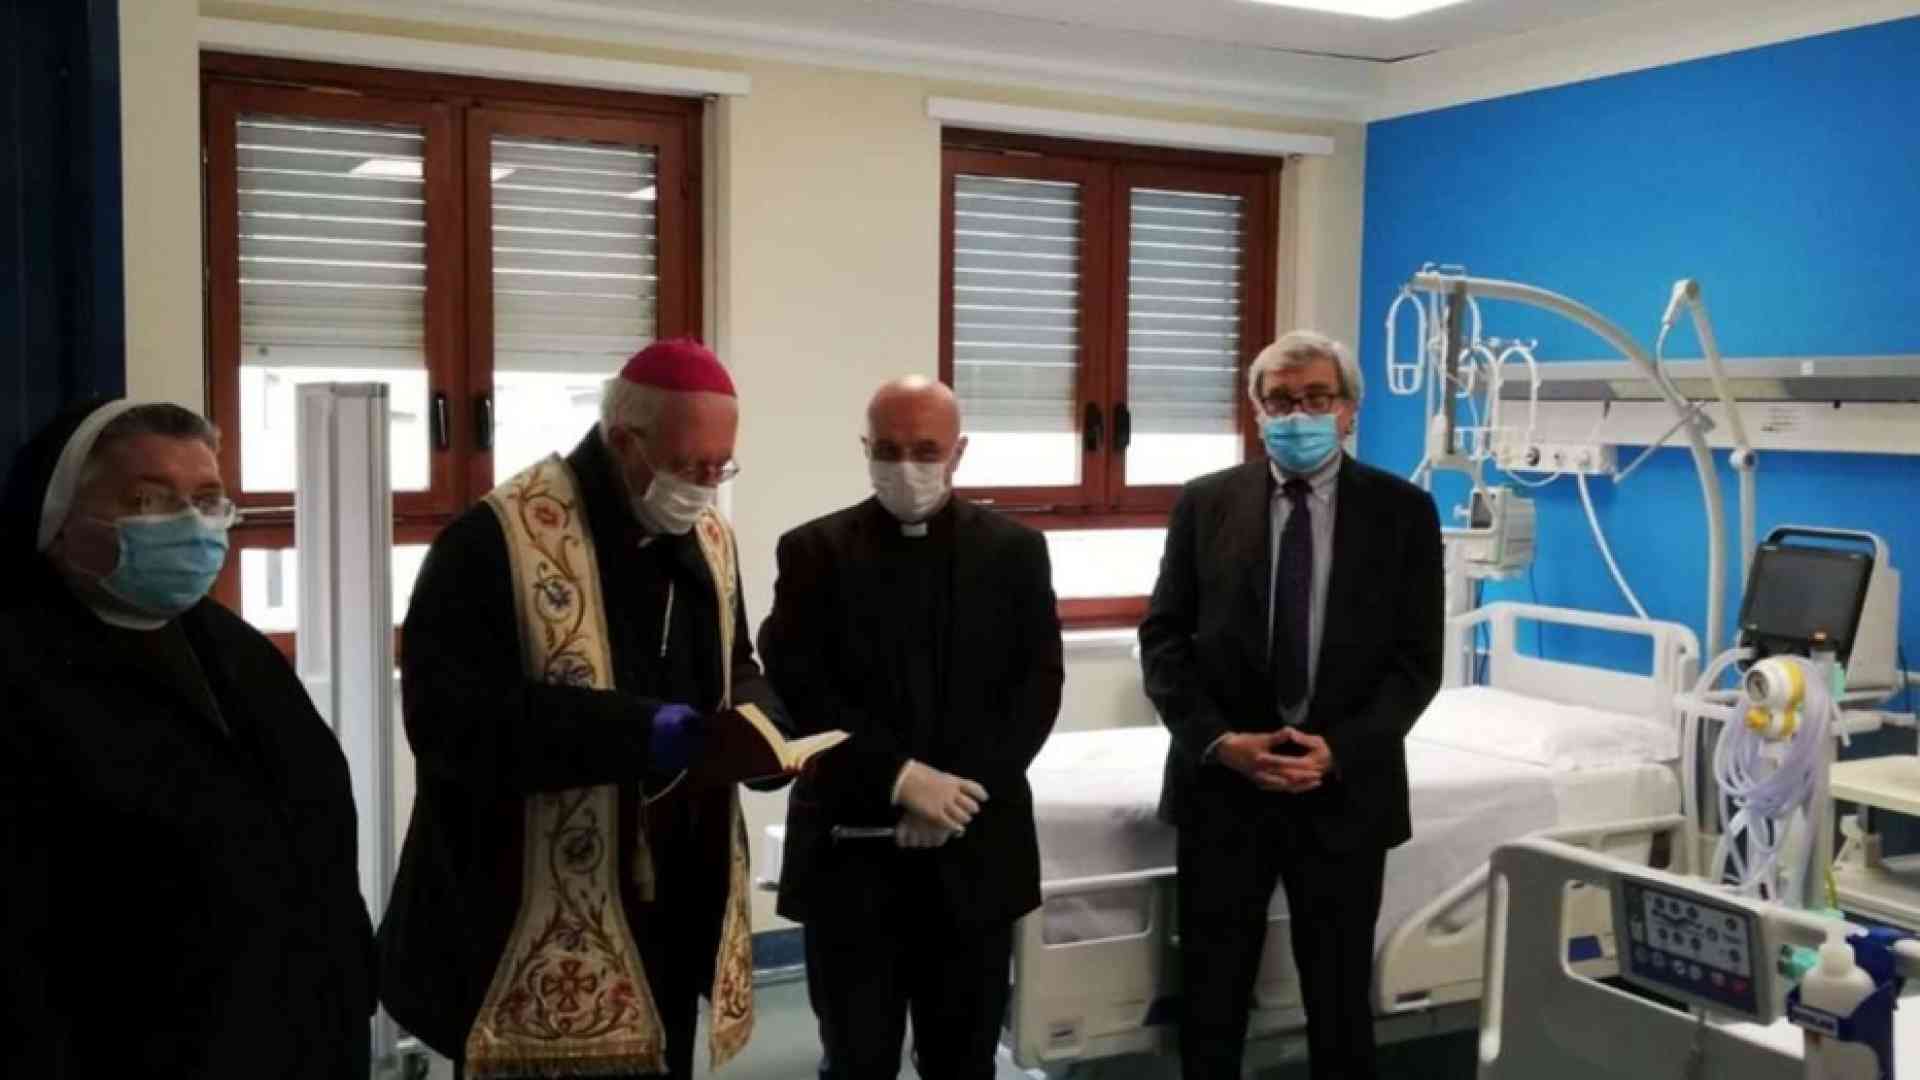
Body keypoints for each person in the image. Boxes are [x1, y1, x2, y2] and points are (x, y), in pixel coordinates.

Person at [379, 339, 789, 1079]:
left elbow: (734, 663)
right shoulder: (494, 541)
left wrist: (764, 729)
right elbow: (450, 723)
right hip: (520, 904)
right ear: (625, 440)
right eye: (688, 466)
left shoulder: (705, 537)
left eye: (719, 468)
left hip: (671, 895)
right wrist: (642, 733)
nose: (704, 488)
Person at [0, 400, 375, 1078]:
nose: (190, 525)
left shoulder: (238, 651)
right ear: (58, 520)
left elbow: (318, 840)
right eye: (147, 500)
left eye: (207, 500)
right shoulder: (19, 667)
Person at [1140, 331, 1444, 1080]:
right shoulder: (1205, 503)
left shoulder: (1404, 512)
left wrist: (1339, 749)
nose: (1297, 415)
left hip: (1346, 792)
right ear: (1256, 411)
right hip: (1223, 790)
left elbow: (1416, 665)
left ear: (1348, 410)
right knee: (1212, 1001)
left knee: (1339, 1003)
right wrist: (1219, 742)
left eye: (1316, 398)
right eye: (1279, 401)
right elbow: (1164, 640)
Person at [762, 376, 1064, 1080]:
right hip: (851, 858)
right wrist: (898, 780)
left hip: (974, 854)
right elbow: (802, 692)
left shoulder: (1016, 552)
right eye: (888, 450)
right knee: (855, 1059)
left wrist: (953, 797)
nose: (906, 467)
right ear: (865, 448)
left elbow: (1036, 689)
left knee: (963, 1060)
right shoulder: (812, 552)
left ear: (959, 451)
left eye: (925, 450)